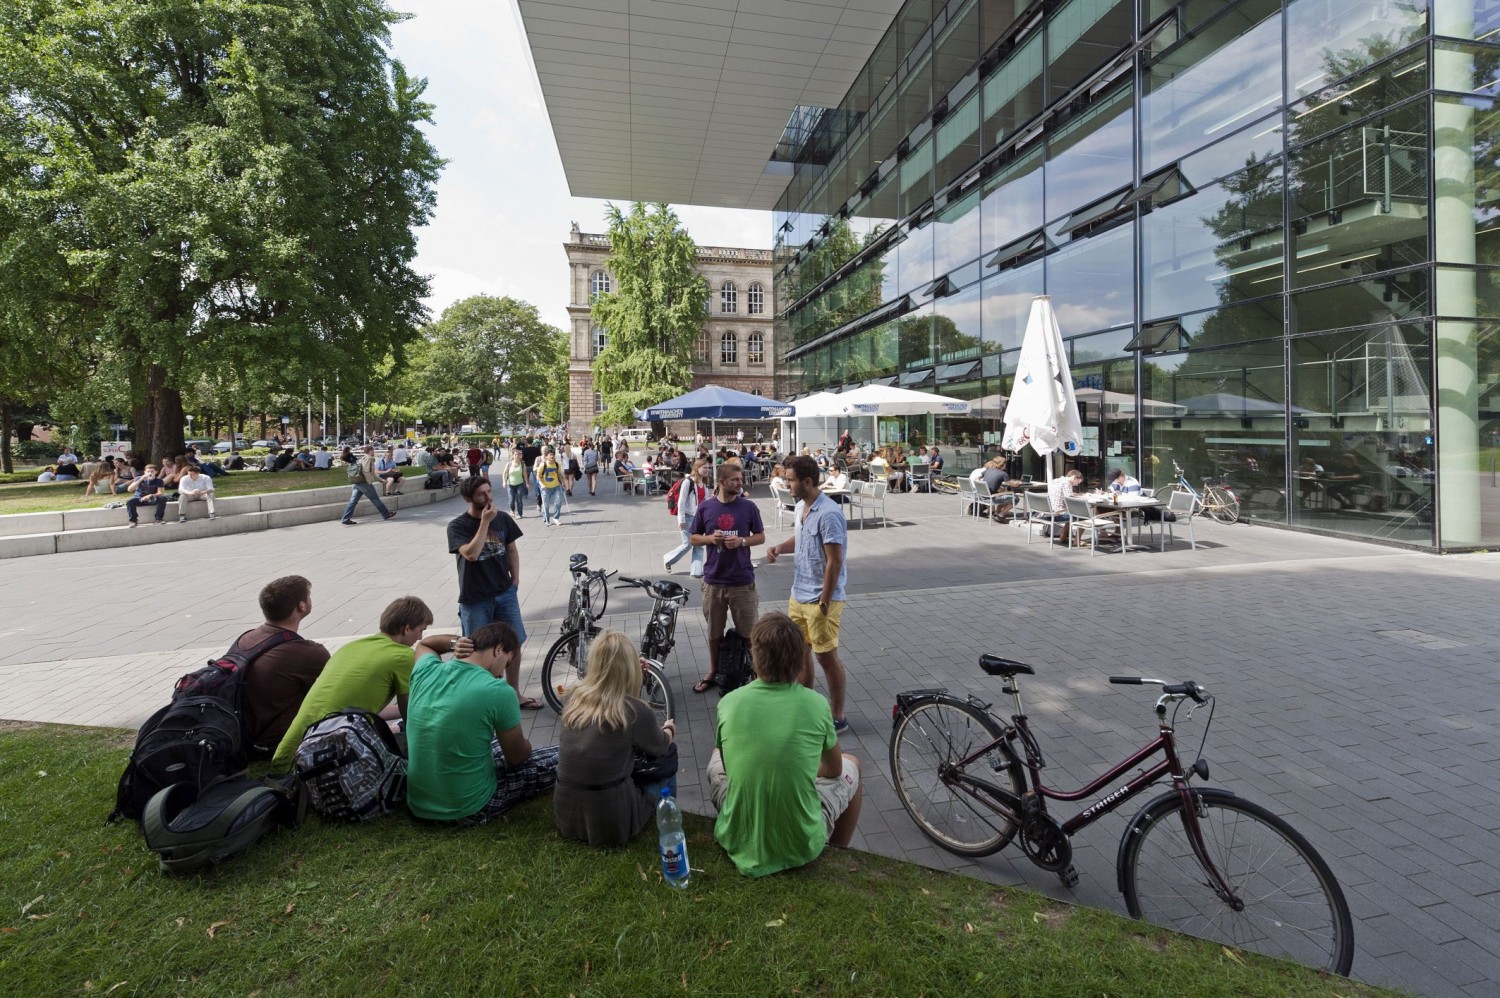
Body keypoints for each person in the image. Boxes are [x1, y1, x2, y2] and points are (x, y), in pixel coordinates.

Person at [707, 612, 862, 877]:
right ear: (800, 660)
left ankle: (742, 821)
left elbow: (730, 767)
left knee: (716, 756)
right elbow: (835, 769)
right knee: (853, 763)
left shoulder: (728, 703)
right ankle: (837, 851)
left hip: (735, 838)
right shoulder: (817, 705)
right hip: (801, 844)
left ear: (754, 656)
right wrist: (803, 767)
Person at [271, 596, 460, 768]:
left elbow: (358, 702)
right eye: (421, 630)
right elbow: (412, 717)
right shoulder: (402, 656)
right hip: (317, 758)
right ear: (407, 628)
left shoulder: (353, 647)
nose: (420, 637)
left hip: (288, 754)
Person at [406, 621, 560, 824]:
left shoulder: (426, 670)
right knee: (562, 756)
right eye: (506, 663)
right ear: (498, 649)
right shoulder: (498, 690)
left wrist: (455, 643)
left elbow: (425, 644)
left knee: (489, 741)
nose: (501, 674)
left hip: (419, 804)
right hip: (469, 808)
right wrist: (527, 745)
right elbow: (517, 757)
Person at [554, 631, 676, 846]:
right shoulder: (635, 711)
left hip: (567, 816)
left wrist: (632, 682)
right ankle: (669, 818)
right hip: (612, 823)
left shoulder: (573, 696)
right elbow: (659, 746)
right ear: (629, 668)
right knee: (669, 757)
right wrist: (669, 730)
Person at [766, 455, 851, 732]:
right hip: (798, 594)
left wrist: (825, 600)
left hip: (821, 599)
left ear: (808, 481)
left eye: (790, 480)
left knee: (826, 657)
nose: (785, 484)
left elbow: (834, 561)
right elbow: (802, 539)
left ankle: (838, 715)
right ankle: (806, 708)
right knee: (799, 653)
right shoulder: (802, 506)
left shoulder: (829, 514)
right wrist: (780, 547)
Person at [447, 476, 544, 709]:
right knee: (476, 650)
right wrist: (484, 523)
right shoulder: (458, 526)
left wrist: (515, 580)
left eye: (489, 491)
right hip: (475, 597)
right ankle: (480, 701)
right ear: (468, 498)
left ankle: (514, 694)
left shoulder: (503, 518)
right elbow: (471, 554)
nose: (488, 497)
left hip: (504, 593)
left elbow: (511, 550)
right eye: (481, 494)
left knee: (515, 642)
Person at [690, 462, 765, 694]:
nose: (740, 483)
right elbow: (693, 537)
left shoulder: (748, 507)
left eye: (740, 479)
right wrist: (710, 539)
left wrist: (742, 541)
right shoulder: (706, 508)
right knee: (714, 633)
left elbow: (760, 536)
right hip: (714, 581)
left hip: (742, 580)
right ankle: (714, 671)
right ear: (722, 482)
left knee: (751, 634)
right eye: (735, 480)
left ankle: (757, 674)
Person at [236, 575, 331, 757]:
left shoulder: (246, 638)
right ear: (302, 606)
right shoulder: (308, 652)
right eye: (309, 595)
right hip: (271, 743)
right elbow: (333, 696)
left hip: (242, 733)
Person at [663, 462, 708, 578]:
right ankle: (668, 559)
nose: (707, 470)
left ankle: (696, 571)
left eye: (708, 468)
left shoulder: (704, 483)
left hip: (699, 518)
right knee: (687, 544)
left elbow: (704, 501)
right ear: (697, 468)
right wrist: (681, 520)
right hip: (688, 517)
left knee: (699, 543)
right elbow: (681, 502)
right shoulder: (688, 482)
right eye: (704, 467)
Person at [341, 444, 397, 525]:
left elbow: (370, 473)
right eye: (373, 450)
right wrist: (369, 481)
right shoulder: (369, 458)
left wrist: (381, 480)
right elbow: (367, 471)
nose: (374, 452)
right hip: (364, 483)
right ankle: (386, 514)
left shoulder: (362, 458)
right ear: (370, 451)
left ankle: (345, 518)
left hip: (357, 482)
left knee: (353, 501)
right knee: (375, 499)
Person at [535, 445, 565, 526]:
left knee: (558, 502)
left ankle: (556, 518)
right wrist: (541, 484)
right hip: (546, 488)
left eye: (553, 455)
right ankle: (546, 519)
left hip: (556, 486)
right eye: (550, 455)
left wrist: (562, 482)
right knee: (546, 505)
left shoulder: (557, 465)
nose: (552, 456)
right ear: (546, 456)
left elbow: (559, 474)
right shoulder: (543, 465)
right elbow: (538, 476)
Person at [503, 447, 528, 517]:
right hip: (510, 484)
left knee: (519, 500)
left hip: (520, 484)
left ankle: (519, 514)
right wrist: (504, 482)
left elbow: (525, 474)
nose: (517, 456)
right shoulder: (509, 464)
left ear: (520, 456)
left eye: (518, 454)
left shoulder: (522, 464)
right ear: (513, 455)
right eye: (515, 454)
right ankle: (512, 509)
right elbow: (504, 473)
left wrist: (527, 483)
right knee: (511, 500)